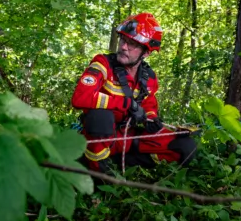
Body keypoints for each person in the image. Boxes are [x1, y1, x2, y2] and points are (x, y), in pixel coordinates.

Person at [71, 12, 197, 173]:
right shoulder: (103, 64)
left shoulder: (149, 78)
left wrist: (150, 120)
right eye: (123, 40)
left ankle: (126, 163)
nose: (124, 46)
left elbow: (149, 105)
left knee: (186, 146)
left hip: (128, 137)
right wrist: (125, 103)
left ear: (146, 53)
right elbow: (80, 98)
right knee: (101, 118)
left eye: (132, 44)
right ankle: (98, 173)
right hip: (99, 138)